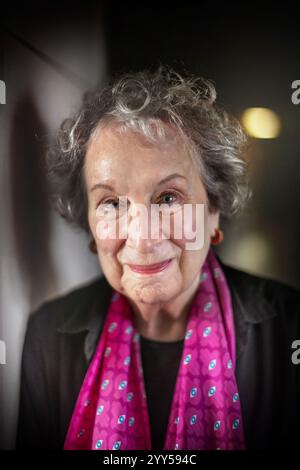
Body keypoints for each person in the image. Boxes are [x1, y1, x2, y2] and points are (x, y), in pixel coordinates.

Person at [16, 66, 300, 450]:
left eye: (168, 198)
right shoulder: (48, 335)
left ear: (213, 210)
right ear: (90, 227)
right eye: (111, 203)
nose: (143, 237)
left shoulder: (289, 329)